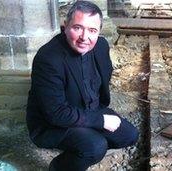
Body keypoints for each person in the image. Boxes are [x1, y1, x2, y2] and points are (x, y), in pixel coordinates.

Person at [26, 1, 139, 170]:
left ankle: (82, 147)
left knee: (130, 135)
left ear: (99, 31)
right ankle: (58, 167)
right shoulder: (48, 58)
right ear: (65, 26)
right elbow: (56, 114)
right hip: (52, 123)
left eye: (92, 30)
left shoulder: (101, 46)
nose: (84, 37)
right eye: (77, 28)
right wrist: (100, 121)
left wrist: (96, 118)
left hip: (89, 110)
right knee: (95, 147)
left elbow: (101, 86)